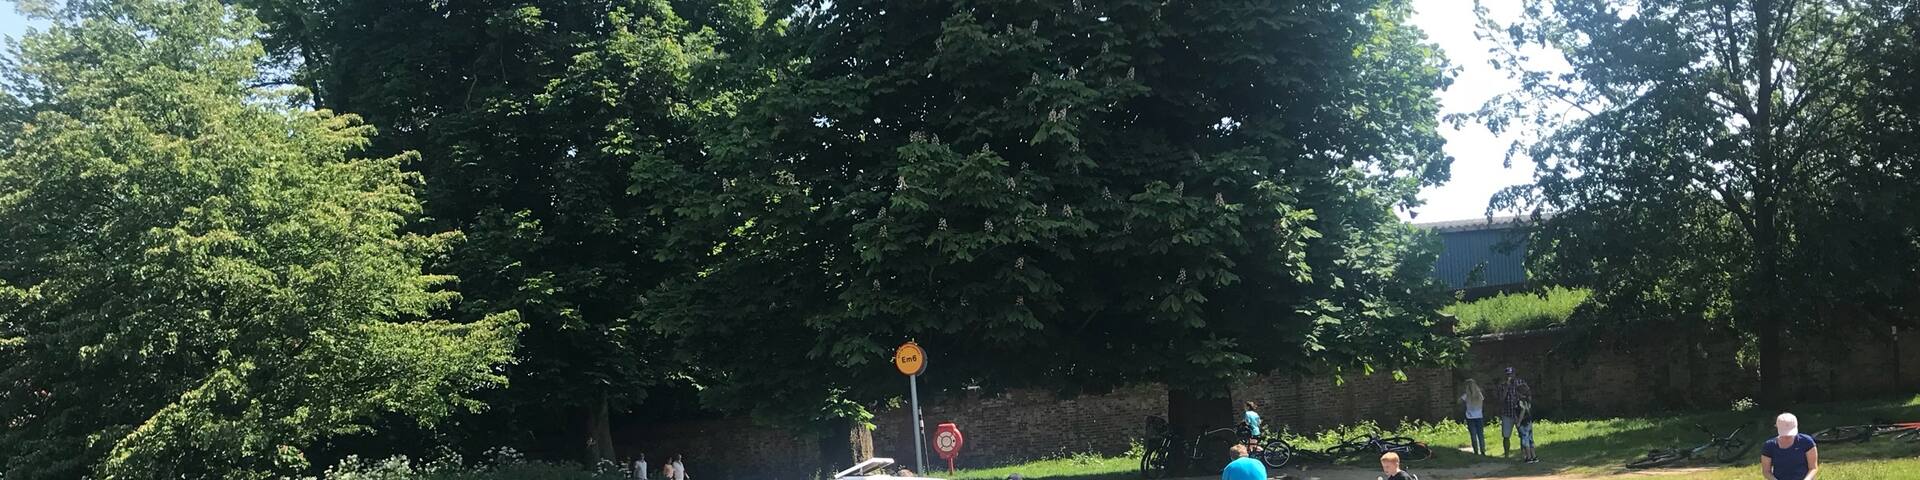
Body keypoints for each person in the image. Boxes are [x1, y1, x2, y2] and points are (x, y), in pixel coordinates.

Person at [1762, 413, 1819, 480]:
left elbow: (1813, 468)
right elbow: (1766, 471)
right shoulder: (1769, 446)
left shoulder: (1807, 442)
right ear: (1777, 427)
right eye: (1784, 433)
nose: (1787, 436)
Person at [1498, 367, 1536, 463]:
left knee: (1523, 435)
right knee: (1506, 435)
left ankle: (1525, 455)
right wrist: (1507, 387)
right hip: (1507, 413)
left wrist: (1528, 405)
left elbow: (1528, 393)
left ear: (1515, 374)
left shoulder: (1521, 382)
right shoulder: (1502, 385)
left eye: (1511, 374)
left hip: (1520, 415)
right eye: (1508, 374)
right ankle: (1506, 455)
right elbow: (1501, 400)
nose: (1510, 376)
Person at [1461, 378, 1488, 456]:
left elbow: (1459, 401)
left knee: (1473, 435)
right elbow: (1482, 402)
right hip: (1479, 416)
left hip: (1470, 417)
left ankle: (1476, 451)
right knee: (1480, 434)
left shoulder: (1466, 395)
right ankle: (1483, 451)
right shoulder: (1479, 394)